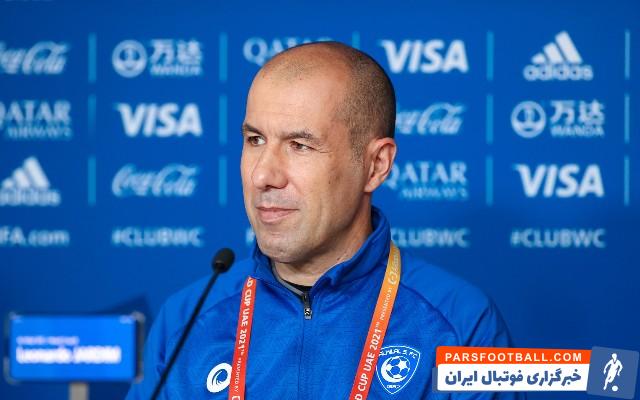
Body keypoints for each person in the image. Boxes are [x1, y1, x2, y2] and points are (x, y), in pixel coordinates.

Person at [126, 41, 520, 399]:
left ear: (376, 165)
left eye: (299, 145)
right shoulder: (185, 319)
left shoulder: (462, 325)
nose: (263, 175)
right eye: (255, 140)